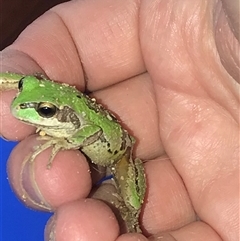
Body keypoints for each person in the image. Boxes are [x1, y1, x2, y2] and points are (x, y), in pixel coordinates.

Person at [1, 0, 239, 240]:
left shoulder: (76, 124)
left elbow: (92, 129)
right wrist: (14, 81)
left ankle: (135, 222)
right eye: (24, 88)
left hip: (118, 154)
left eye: (45, 110)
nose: (19, 104)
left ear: (60, 113)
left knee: (131, 205)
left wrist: (68, 142)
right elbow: (31, 81)